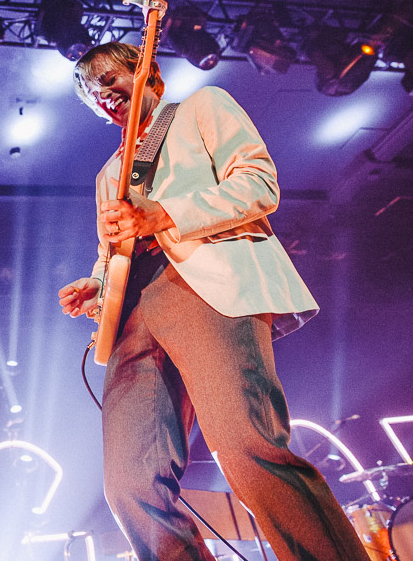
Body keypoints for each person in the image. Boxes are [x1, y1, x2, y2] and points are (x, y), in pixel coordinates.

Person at [57, 41, 367, 560]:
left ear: (148, 72)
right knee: (130, 485)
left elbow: (258, 183)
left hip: (204, 288)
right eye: (91, 93)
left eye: (111, 78)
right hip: (132, 314)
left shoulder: (201, 108)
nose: (103, 93)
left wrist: (163, 215)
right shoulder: (108, 174)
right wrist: (97, 284)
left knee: (249, 450)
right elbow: (113, 249)